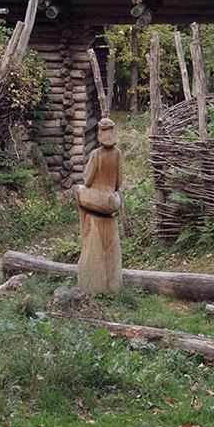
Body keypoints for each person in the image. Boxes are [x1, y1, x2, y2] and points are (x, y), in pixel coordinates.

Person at [73, 116, 123, 295]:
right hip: (113, 200)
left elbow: (87, 180)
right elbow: (119, 182)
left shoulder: (96, 155)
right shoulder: (118, 154)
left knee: (78, 191)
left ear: (100, 133)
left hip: (98, 198)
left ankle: (84, 237)